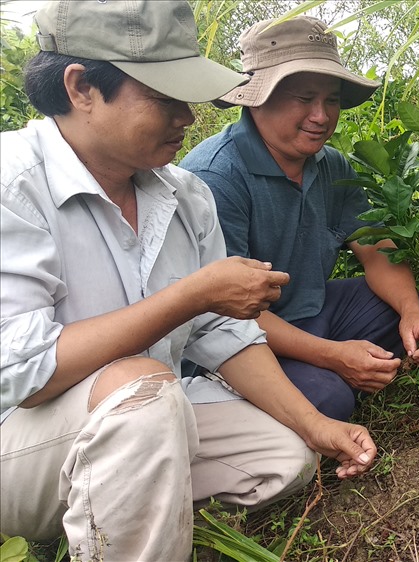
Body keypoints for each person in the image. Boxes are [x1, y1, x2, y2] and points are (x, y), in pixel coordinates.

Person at [0, 2, 376, 559]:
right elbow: (23, 375)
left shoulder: (182, 195)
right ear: (81, 88)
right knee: (144, 388)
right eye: (163, 97)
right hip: (20, 438)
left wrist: (316, 425)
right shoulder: (15, 186)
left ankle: (116, 515)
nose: (187, 117)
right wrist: (189, 296)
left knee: (282, 458)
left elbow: (222, 333)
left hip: (146, 414)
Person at [181, 16, 419, 422]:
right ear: (257, 97)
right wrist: (334, 356)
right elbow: (224, 315)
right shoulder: (215, 176)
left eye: (331, 99)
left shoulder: (331, 164)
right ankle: (299, 385)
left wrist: (413, 313)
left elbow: (376, 251)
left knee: (396, 310)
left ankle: (324, 369)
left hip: (309, 311)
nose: (321, 116)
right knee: (331, 400)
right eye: (304, 98)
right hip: (237, 341)